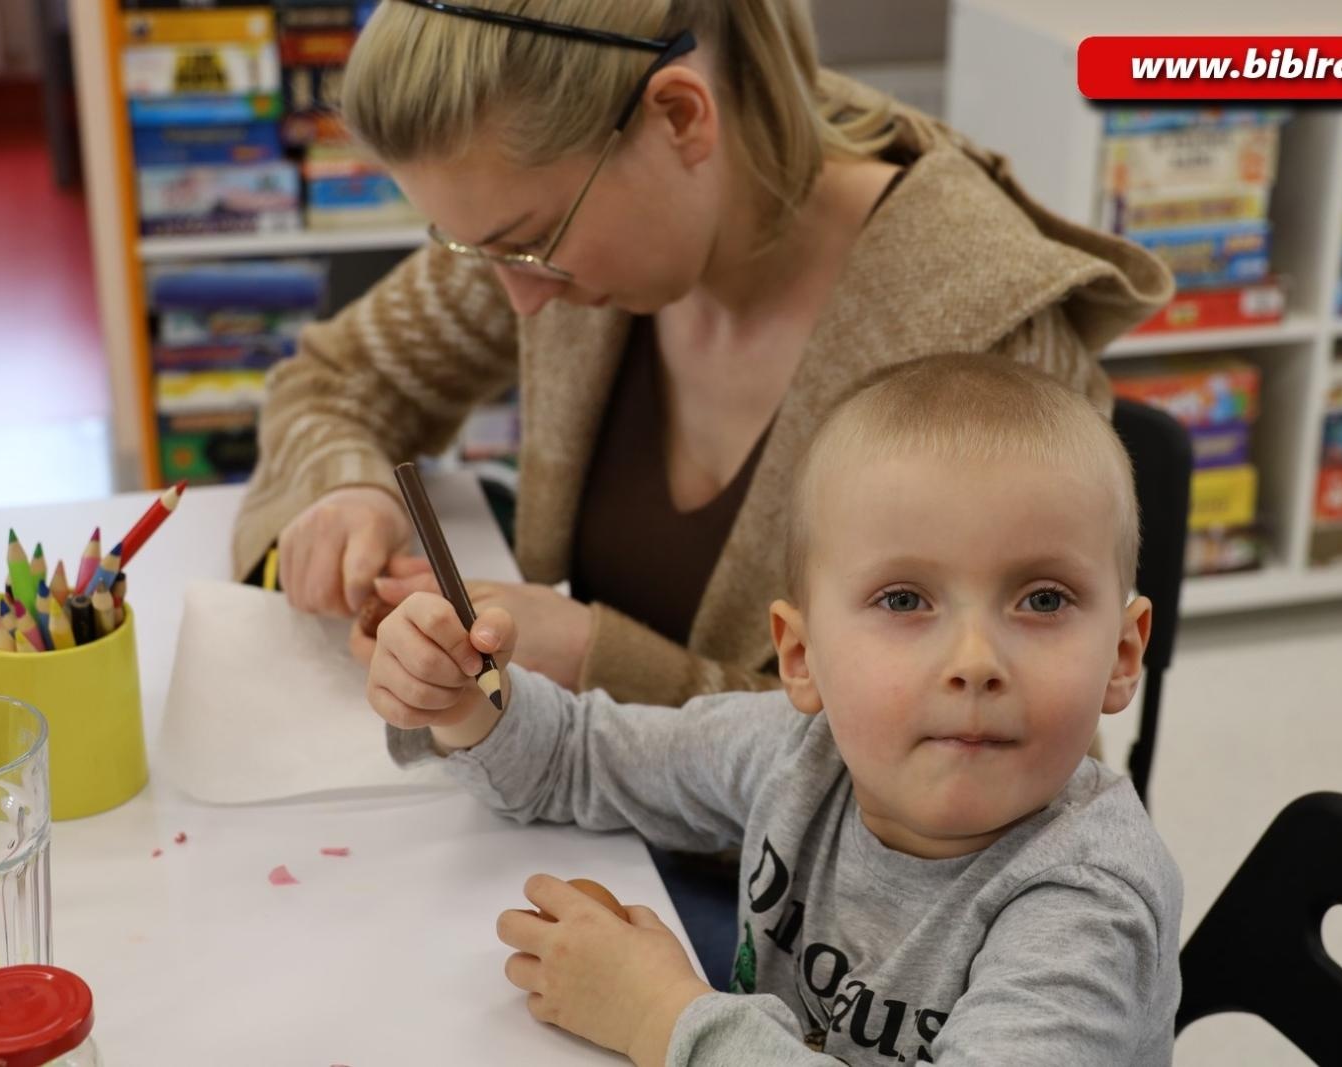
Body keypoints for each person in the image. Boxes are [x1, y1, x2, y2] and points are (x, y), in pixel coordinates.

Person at [230, 0, 1173, 706]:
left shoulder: (986, 334)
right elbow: (338, 378)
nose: (515, 295)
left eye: (530, 240)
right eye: (476, 251)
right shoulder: (555, 215)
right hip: (593, 829)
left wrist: (603, 669)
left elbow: (995, 753)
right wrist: (343, 487)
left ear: (681, 117)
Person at [364, 356, 1183, 1065]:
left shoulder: (1086, 903)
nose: (975, 662)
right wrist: (469, 704)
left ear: (1121, 652)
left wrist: (659, 1015)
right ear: (802, 656)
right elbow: (584, 756)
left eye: (1043, 598)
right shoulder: (801, 752)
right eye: (905, 598)